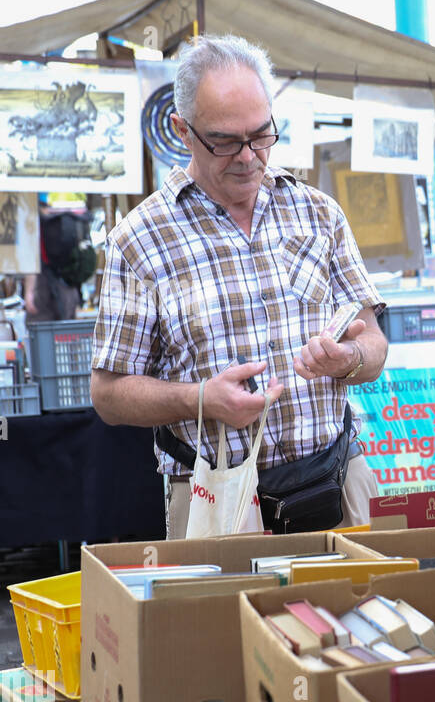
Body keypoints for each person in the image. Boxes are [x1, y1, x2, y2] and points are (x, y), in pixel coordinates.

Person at [89, 34, 388, 539]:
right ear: (183, 130)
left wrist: (349, 360)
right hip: (217, 501)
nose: (249, 157)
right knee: (226, 622)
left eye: (261, 135)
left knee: (365, 617)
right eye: (226, 141)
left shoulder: (318, 213)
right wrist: (200, 399)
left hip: (337, 487)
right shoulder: (139, 240)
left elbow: (375, 344)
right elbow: (108, 394)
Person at [24, 202, 94, 323]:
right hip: (68, 288)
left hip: (43, 288)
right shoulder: (71, 219)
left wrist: (29, 291)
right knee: (67, 334)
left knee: (41, 332)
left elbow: (32, 257)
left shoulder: (37, 221)